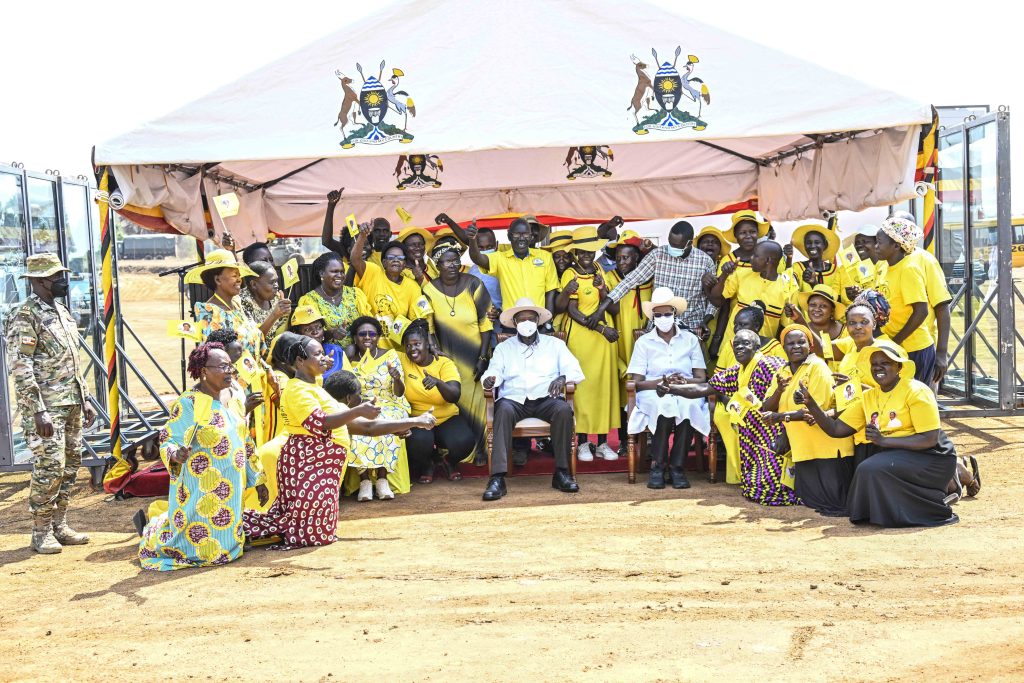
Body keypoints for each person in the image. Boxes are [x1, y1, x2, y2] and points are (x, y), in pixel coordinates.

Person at [243, 336, 431, 549]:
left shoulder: (313, 385)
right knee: (309, 536)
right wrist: (357, 411)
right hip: (307, 466)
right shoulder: (297, 390)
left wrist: (414, 422)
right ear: (299, 361)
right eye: (317, 354)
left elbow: (367, 428)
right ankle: (241, 529)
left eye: (324, 354)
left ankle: (247, 529)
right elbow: (321, 423)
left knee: (316, 532)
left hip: (320, 469)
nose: (324, 358)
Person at [138, 343, 269, 570]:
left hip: (231, 486)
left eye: (230, 366)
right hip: (200, 487)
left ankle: (229, 546)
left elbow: (245, 439)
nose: (230, 371)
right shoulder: (188, 403)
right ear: (203, 371)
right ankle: (157, 533)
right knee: (200, 549)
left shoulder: (234, 397)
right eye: (222, 367)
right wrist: (176, 454)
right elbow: (169, 439)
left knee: (227, 543)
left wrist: (258, 479)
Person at [801, 340, 959, 527]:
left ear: (898, 366)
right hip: (896, 453)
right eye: (874, 364)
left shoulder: (916, 391)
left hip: (931, 455)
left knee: (871, 468)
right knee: (871, 467)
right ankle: (882, 513)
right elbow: (836, 430)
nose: (878, 368)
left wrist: (884, 441)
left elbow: (930, 439)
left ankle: (936, 504)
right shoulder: (868, 397)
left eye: (885, 363)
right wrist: (811, 404)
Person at [4, 253, 97, 554]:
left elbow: (72, 359)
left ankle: (60, 524)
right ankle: (40, 531)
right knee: (49, 467)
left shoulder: (62, 312)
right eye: (58, 276)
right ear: (40, 280)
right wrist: (38, 410)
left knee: (70, 466)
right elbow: (21, 366)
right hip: (46, 409)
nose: (64, 281)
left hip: (70, 403)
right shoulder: (26, 315)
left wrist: (85, 398)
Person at [665, 329, 798, 506]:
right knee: (753, 486)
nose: (739, 348)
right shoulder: (737, 370)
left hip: (774, 432)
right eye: (736, 345)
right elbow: (705, 389)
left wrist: (786, 434)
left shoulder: (770, 365)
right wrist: (671, 389)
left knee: (773, 487)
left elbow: (789, 397)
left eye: (745, 343)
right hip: (752, 435)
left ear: (757, 347)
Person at [480, 298, 585, 501]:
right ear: (515, 323)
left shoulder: (555, 344)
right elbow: (493, 372)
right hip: (514, 399)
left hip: (546, 398)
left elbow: (575, 370)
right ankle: (497, 478)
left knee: (563, 410)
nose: (526, 322)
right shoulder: (504, 348)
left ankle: (562, 473)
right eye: (522, 319)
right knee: (502, 411)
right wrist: (490, 379)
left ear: (538, 321)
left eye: (531, 319)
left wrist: (563, 377)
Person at [761, 325, 854, 516]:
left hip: (826, 446)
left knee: (835, 505)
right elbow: (767, 407)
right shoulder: (782, 371)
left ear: (810, 345)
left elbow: (816, 411)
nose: (796, 346)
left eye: (801, 342)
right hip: (803, 447)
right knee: (812, 501)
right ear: (783, 347)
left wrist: (780, 417)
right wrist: (779, 390)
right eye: (790, 343)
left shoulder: (817, 366)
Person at [626, 288, 709, 489]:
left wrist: (682, 383)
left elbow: (701, 378)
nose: (663, 318)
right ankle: (658, 466)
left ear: (675, 314)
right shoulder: (644, 342)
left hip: (685, 387)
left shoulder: (690, 339)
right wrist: (662, 382)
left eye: (667, 314)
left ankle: (677, 467)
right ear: (653, 317)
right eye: (658, 315)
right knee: (662, 406)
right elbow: (636, 382)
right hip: (654, 390)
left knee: (689, 406)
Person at [421, 241, 493, 461]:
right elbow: (429, 326)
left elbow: (486, 325)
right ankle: (454, 453)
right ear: (437, 264)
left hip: (474, 356)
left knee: (478, 405)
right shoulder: (428, 289)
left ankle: (481, 451)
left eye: (455, 260)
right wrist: (436, 355)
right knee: (453, 404)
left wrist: (483, 357)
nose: (452, 265)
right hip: (447, 359)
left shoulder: (475, 284)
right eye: (446, 261)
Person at [560, 226, 621, 461]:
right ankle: (583, 442)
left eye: (591, 251)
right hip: (583, 337)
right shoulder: (569, 274)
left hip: (604, 341)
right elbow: (573, 311)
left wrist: (603, 289)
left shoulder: (599, 270)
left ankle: (604, 443)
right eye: (583, 252)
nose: (587, 256)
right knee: (583, 389)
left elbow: (608, 303)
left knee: (603, 388)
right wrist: (602, 328)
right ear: (575, 252)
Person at [598, 220, 716, 340]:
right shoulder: (657, 255)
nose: (671, 248)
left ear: (689, 243)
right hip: (659, 326)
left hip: (692, 327)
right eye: (670, 244)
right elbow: (630, 280)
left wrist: (706, 320)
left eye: (676, 246)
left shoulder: (705, 262)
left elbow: (713, 298)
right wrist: (602, 308)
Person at [400, 319, 476, 481]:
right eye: (408, 345)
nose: (412, 349)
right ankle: (427, 464)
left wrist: (438, 382)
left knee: (465, 441)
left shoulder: (444, 363)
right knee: (416, 441)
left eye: (417, 344)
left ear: (427, 344)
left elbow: (454, 395)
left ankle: (450, 462)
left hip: (446, 417)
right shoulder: (401, 359)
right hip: (419, 418)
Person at [345, 316, 411, 500]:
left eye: (372, 334)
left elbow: (399, 393)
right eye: (362, 334)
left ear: (378, 336)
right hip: (361, 404)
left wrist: (397, 378)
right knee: (357, 423)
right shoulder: (350, 360)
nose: (367, 337)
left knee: (386, 421)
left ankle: (382, 480)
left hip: (390, 402)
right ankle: (364, 481)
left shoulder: (390, 356)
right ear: (355, 337)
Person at [890, 211, 953, 386]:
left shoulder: (925, 260)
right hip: (891, 351)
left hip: (920, 349)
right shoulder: (885, 262)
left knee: (922, 402)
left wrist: (941, 353)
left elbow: (941, 307)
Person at [602, 229, 653, 448]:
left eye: (627, 257)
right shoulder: (610, 278)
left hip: (645, 338)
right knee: (624, 388)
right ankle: (625, 440)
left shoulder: (650, 278)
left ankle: (647, 439)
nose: (621, 261)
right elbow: (611, 309)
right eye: (619, 257)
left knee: (646, 385)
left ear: (638, 258)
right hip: (621, 339)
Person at [709, 240, 790, 370]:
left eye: (756, 256)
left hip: (763, 354)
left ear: (768, 260)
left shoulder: (787, 287)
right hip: (732, 347)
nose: (750, 259)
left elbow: (788, 326)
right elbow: (716, 299)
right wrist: (724, 275)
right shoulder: (742, 275)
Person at [875, 216, 937, 384]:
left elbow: (921, 311)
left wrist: (896, 342)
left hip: (914, 348)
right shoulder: (883, 267)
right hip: (895, 347)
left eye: (879, 242)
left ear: (896, 245)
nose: (875, 247)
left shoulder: (909, 270)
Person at [467, 218, 559, 329]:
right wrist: (472, 240)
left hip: (539, 322)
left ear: (530, 236)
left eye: (525, 234)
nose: (521, 238)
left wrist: (547, 323)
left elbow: (550, 291)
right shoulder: (500, 258)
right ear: (509, 236)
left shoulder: (545, 257)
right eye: (516, 234)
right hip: (511, 325)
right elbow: (478, 258)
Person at [350, 225, 425, 347]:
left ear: (404, 264)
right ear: (384, 262)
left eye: (400, 258)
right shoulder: (373, 273)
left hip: (399, 350)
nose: (396, 260)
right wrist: (362, 236)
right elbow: (355, 260)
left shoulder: (412, 286)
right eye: (391, 257)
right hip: (370, 347)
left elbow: (417, 322)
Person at [186, 249, 265, 360]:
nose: (239, 280)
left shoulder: (237, 305)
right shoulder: (209, 313)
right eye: (234, 275)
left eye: (239, 275)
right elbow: (215, 357)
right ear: (218, 279)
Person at [297, 251, 370, 348]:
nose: (340, 275)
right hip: (328, 356)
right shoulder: (309, 301)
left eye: (342, 272)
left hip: (359, 352)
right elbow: (308, 335)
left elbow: (369, 323)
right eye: (334, 272)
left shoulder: (356, 294)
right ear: (322, 274)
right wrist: (331, 334)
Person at [785, 284, 848, 371]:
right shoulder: (800, 332)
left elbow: (826, 352)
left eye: (823, 306)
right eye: (813, 305)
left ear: (832, 311)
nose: (817, 309)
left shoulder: (847, 331)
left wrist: (800, 320)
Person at [789, 223, 852, 305]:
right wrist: (788, 259)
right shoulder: (797, 267)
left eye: (817, 242)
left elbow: (837, 301)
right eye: (808, 242)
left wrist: (814, 283)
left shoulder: (836, 271)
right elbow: (789, 290)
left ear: (825, 245)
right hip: (803, 318)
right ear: (804, 245)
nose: (812, 246)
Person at [290, 305, 348, 379]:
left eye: (319, 327)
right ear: (296, 334)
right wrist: (318, 366)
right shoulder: (294, 359)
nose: (315, 332)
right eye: (307, 329)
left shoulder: (336, 350)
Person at [240, 260, 292, 342]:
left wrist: (285, 315)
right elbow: (253, 340)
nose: (277, 286)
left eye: (276, 281)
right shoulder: (241, 302)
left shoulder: (276, 297)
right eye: (272, 282)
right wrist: (274, 315)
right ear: (253, 284)